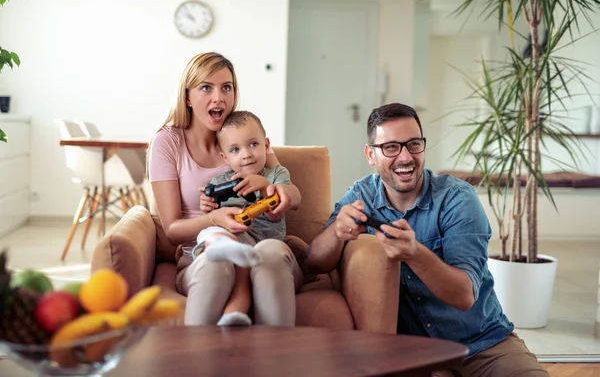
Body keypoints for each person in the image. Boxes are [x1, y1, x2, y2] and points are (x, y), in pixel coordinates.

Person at [305, 103, 548, 376]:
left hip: (483, 345)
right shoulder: (362, 195)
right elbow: (313, 261)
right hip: (417, 355)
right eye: (391, 147)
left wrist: (415, 254)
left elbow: (465, 296)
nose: (405, 157)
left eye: (413, 144)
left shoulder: (457, 199)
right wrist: (337, 232)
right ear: (370, 154)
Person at [148, 52, 303, 326]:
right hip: (202, 249)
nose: (218, 97)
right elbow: (171, 229)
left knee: (267, 253)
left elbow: (283, 189)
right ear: (187, 96)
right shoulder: (167, 142)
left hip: (261, 241)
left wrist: (272, 190)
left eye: (226, 87)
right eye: (206, 87)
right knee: (215, 260)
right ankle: (197, 361)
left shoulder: (245, 138)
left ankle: (275, 360)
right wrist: (212, 219)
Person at [193, 110, 291, 327]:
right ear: (224, 157)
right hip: (231, 236)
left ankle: (234, 311)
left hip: (260, 240)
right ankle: (219, 244)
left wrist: (265, 186)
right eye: (235, 150)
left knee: (244, 255)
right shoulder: (221, 180)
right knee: (209, 230)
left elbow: (277, 212)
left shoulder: (277, 174)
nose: (246, 154)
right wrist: (207, 207)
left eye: (253, 144)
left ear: (266, 145)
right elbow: (211, 215)